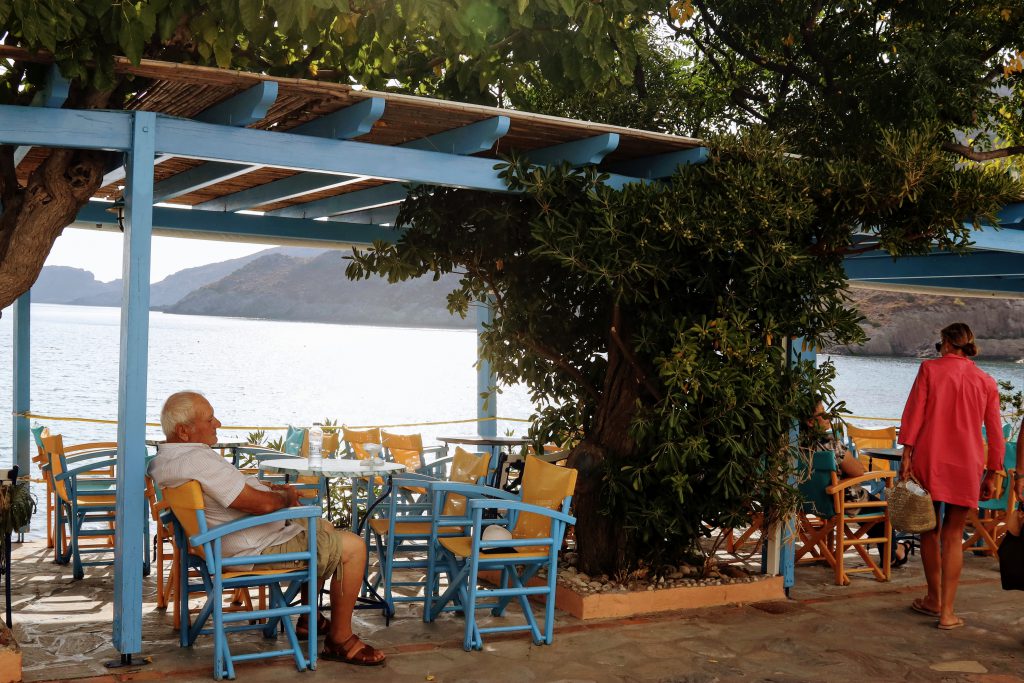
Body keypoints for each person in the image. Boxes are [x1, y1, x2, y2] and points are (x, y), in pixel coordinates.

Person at [148, 391, 385, 666]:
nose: (218, 424)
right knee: (353, 546)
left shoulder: (164, 460)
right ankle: (340, 640)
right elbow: (257, 506)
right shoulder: (196, 460)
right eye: (210, 419)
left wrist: (267, 489)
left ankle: (310, 619)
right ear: (184, 431)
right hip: (251, 547)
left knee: (324, 527)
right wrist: (284, 498)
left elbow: (230, 492)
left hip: (218, 542)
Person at [899, 322, 1004, 630]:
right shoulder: (985, 381)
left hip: (930, 460)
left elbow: (914, 414)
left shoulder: (930, 370)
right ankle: (947, 613)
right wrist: (993, 471)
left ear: (946, 343)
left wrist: (906, 455)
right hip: (967, 465)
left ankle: (933, 598)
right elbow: (995, 433)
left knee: (928, 530)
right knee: (954, 535)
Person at [804, 401, 910, 566]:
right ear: (810, 422)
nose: (828, 416)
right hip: (840, 499)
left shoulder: (795, 445)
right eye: (822, 413)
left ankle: (897, 551)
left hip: (811, 501)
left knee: (872, 510)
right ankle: (894, 555)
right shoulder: (830, 444)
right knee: (883, 513)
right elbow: (858, 471)